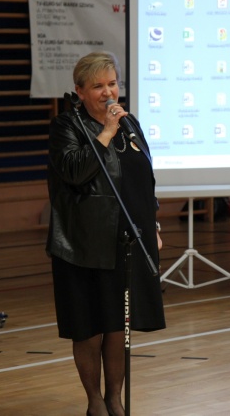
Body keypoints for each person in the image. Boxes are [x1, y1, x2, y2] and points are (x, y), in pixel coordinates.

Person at [46, 51, 166, 416]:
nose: (108, 92)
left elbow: (144, 181)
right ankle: (95, 402)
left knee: (118, 325)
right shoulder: (66, 126)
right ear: (80, 91)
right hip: (83, 243)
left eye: (112, 83)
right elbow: (74, 172)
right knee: (89, 327)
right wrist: (107, 132)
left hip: (127, 241)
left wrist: (153, 225)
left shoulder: (131, 124)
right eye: (98, 86)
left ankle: (114, 398)